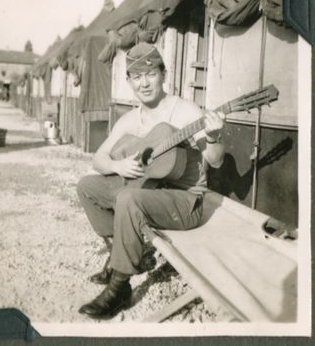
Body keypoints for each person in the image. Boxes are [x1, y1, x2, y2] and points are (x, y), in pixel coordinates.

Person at [76, 42, 225, 320]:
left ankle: (119, 288)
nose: (144, 83)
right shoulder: (132, 119)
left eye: (151, 74)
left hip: (184, 202)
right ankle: (122, 254)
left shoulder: (186, 111)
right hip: (149, 190)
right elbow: (98, 158)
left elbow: (216, 160)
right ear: (130, 81)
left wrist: (214, 137)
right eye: (137, 77)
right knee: (88, 186)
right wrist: (118, 164)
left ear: (163, 74)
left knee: (127, 198)